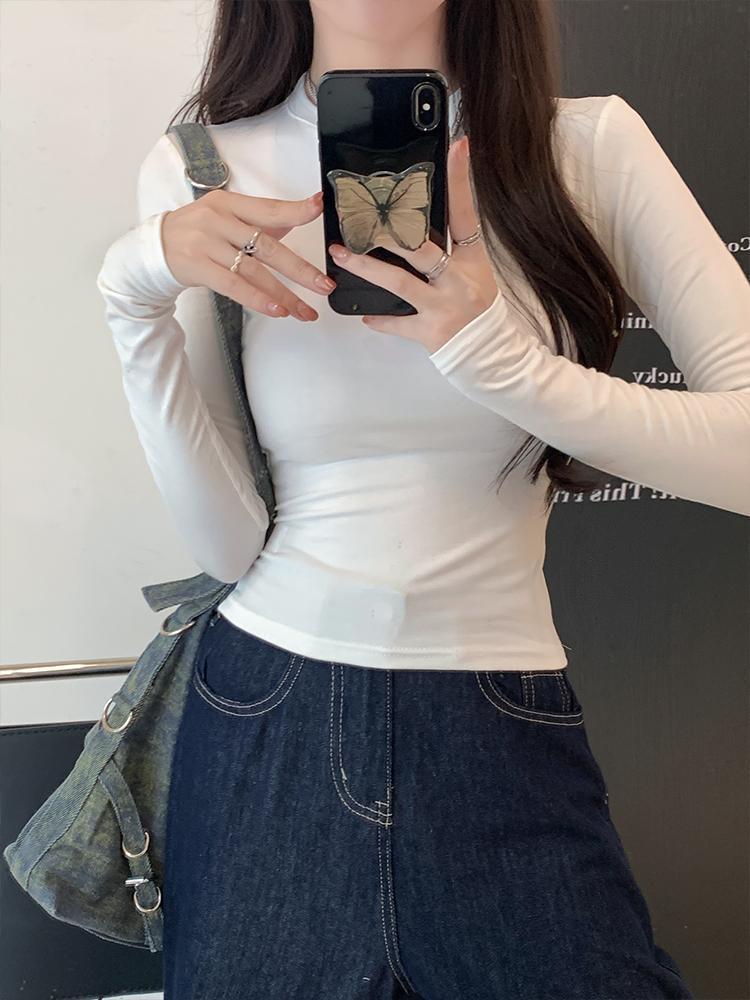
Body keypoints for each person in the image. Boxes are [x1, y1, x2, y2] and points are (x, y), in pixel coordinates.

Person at [95, 1, 749, 996]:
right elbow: (227, 545)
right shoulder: (204, 167)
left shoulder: (586, 148)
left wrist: (496, 359)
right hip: (267, 710)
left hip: (498, 722)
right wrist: (131, 291)